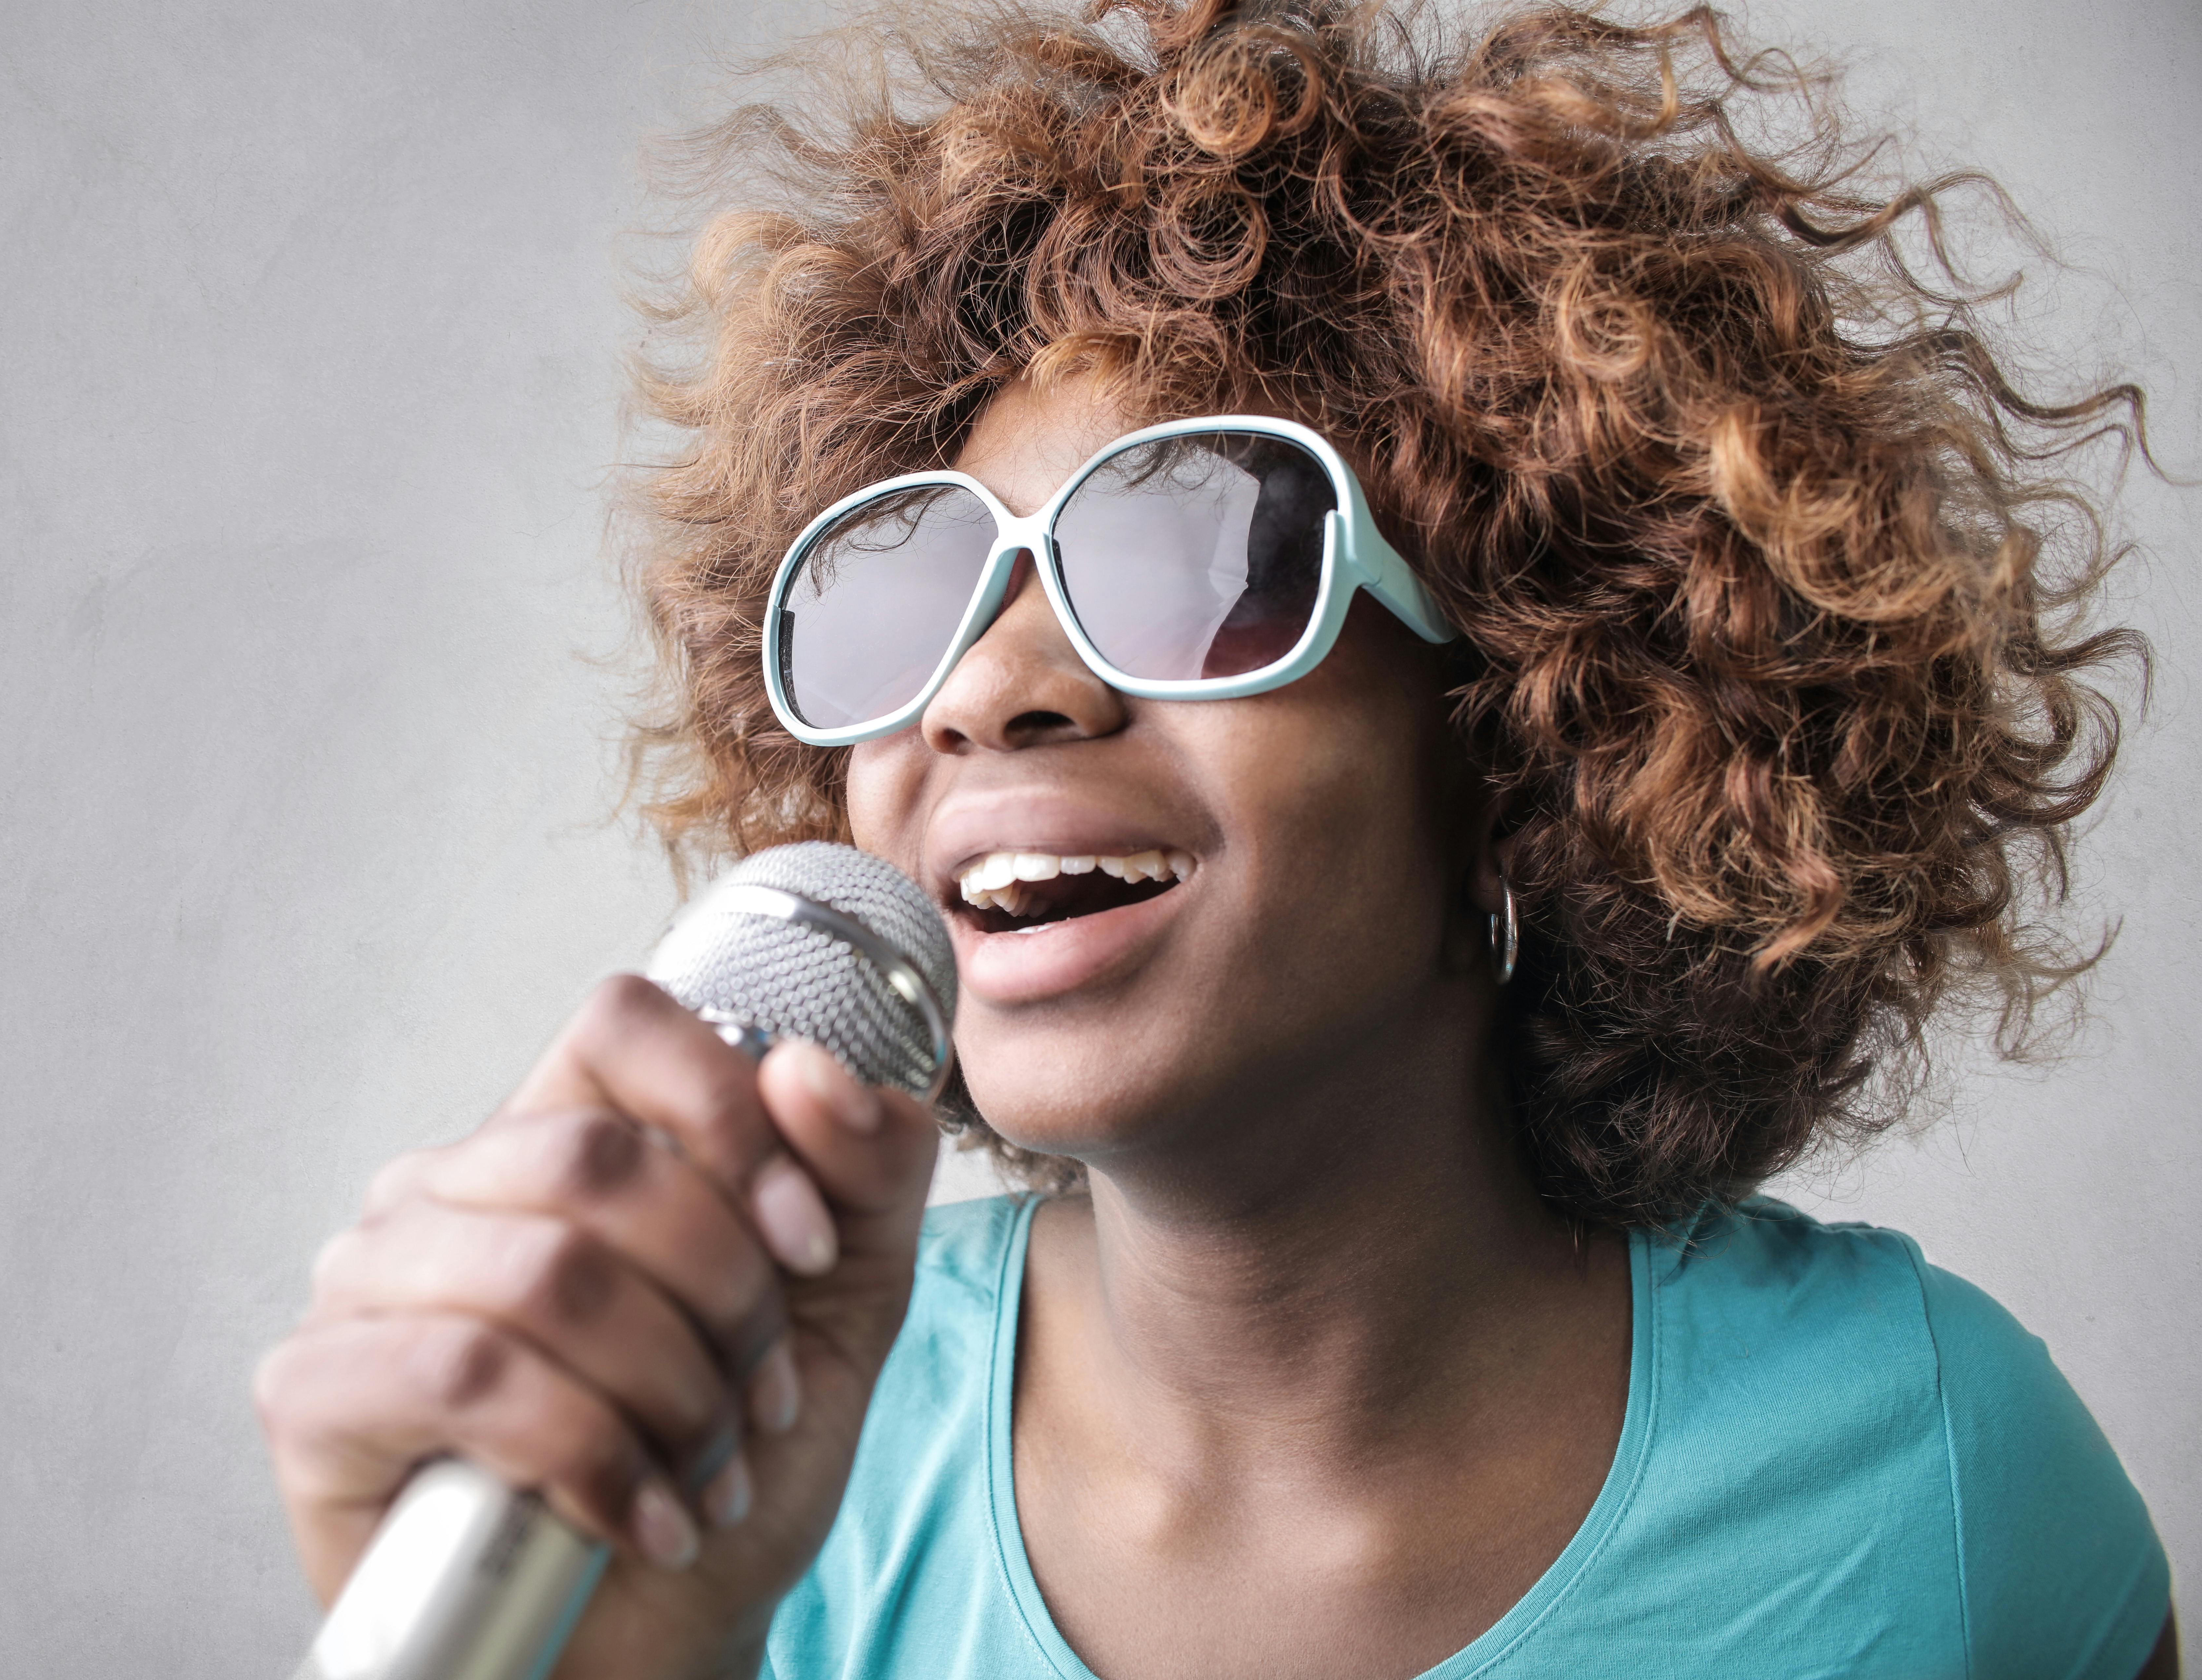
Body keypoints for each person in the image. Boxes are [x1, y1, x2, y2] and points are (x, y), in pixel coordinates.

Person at [252, 2, 2178, 1675]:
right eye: (911, 585)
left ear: (1531, 730)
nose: (991, 691)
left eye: (1190, 557)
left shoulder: (1941, 1475)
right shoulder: (727, 1459)